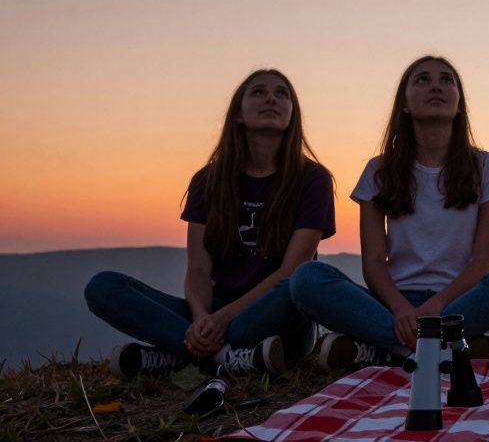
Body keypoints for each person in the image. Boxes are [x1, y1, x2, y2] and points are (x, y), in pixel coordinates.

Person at [85, 69, 334, 380]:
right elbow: (199, 268)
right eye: (258, 91)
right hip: (217, 310)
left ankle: (177, 353)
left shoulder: (312, 179)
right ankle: (224, 356)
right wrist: (202, 317)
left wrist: (222, 319)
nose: (272, 98)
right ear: (238, 114)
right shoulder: (208, 181)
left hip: (277, 316)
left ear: (292, 115)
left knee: (303, 282)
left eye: (282, 94)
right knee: (103, 286)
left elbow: (291, 271)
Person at [289, 56, 489, 370]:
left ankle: (383, 349)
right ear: (404, 104)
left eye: (447, 80)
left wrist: (436, 306)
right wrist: (401, 308)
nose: (436, 86)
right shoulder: (380, 170)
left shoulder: (487, 167)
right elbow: (374, 262)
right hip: (393, 304)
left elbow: (484, 261)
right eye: (423, 80)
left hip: (459, 301)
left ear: (459, 105)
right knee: (307, 278)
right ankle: (442, 348)